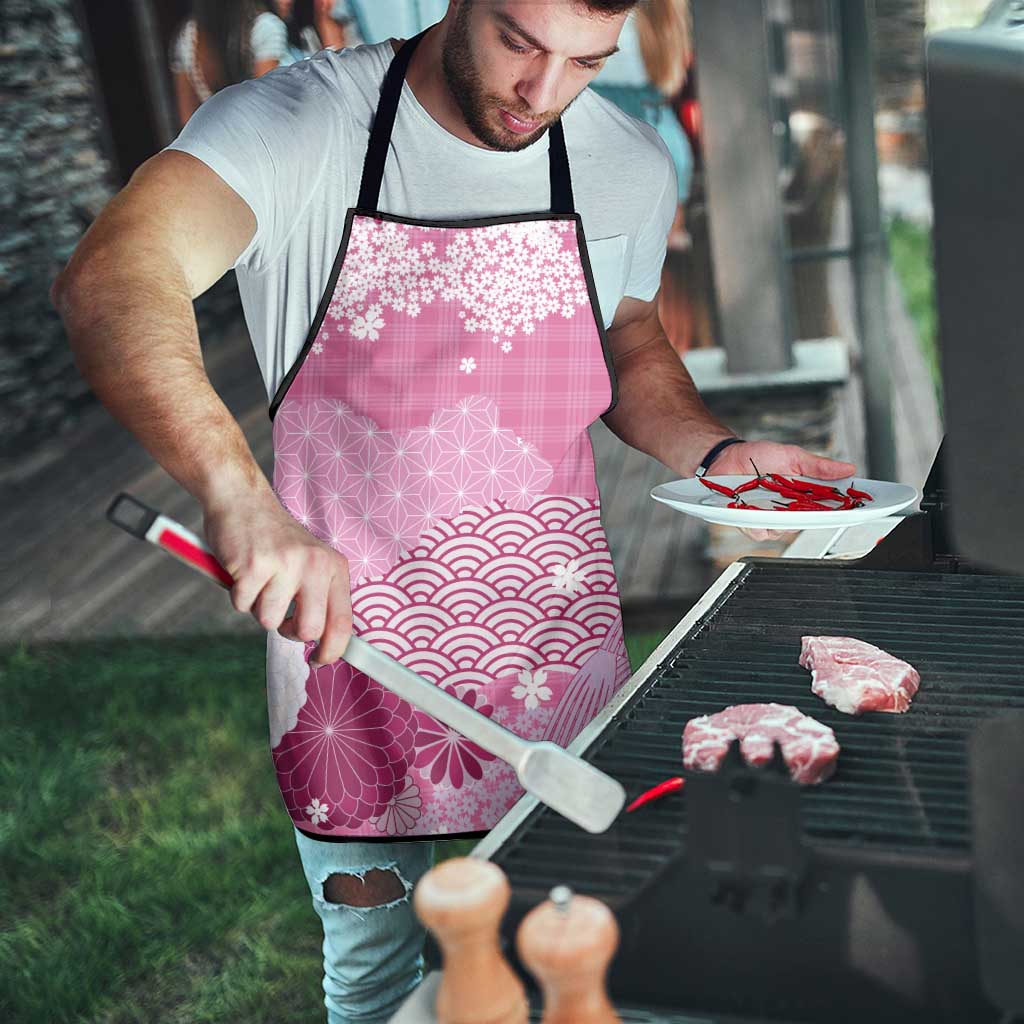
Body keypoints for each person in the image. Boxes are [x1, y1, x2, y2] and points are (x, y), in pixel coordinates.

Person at [52, 2, 856, 1020]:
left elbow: (630, 339)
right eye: (521, 43)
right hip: (352, 665)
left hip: (558, 656)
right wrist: (237, 495)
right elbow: (114, 275)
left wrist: (718, 449)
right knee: (380, 980)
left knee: (577, 957)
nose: (543, 93)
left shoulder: (624, 160)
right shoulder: (298, 125)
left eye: (585, 62)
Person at [169, 0, 288, 127]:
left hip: (215, 140)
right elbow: (266, 107)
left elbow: (187, 120)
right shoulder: (266, 27)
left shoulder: (188, 37)